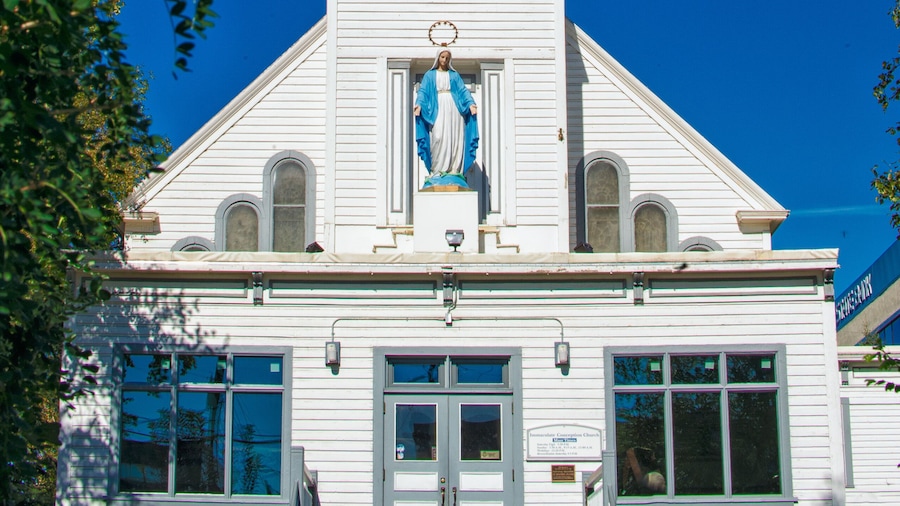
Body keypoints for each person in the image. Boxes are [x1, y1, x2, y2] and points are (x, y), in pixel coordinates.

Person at [414, 49, 479, 189]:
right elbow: (423, 91)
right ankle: (437, 171)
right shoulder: (430, 75)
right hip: (437, 109)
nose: (444, 60)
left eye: (447, 58)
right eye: (442, 57)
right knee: (438, 137)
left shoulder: (454, 75)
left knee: (454, 138)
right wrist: (419, 105)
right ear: (438, 57)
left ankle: (454, 171)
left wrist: (470, 104)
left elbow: (462, 91)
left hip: (454, 109)